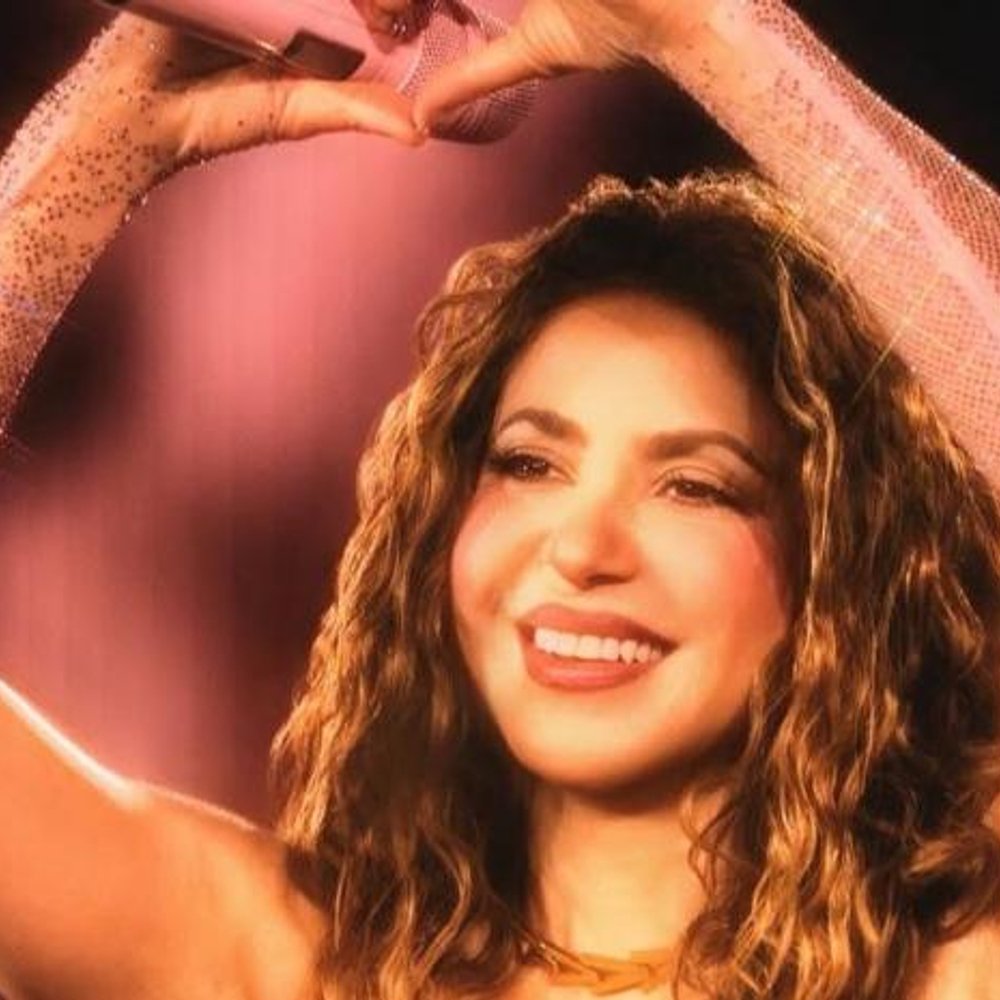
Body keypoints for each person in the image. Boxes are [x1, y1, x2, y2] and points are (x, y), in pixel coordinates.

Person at [0, 2, 998, 1000]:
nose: (581, 549)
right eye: (528, 464)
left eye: (694, 486)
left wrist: (720, 40)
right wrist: (110, 130)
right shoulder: (277, 960)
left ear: (842, 555)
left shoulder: (946, 971)